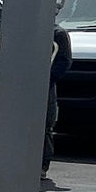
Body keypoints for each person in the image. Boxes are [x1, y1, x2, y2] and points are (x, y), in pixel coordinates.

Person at [42, 10, 73, 180]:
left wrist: (47, 79)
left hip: (45, 87)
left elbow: (64, 61)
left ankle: (42, 165)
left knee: (44, 125)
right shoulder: (23, 31)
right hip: (20, 85)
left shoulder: (58, 34)